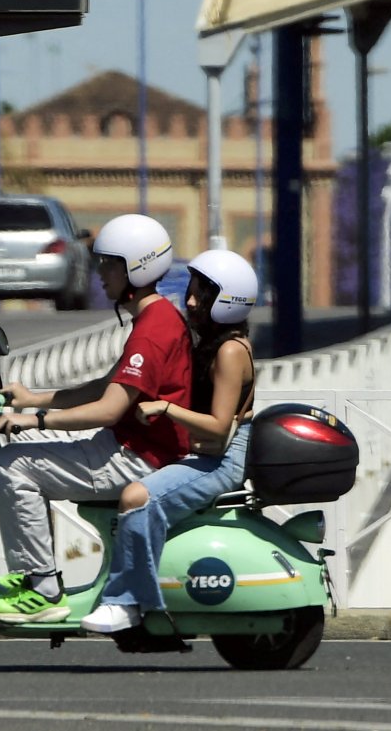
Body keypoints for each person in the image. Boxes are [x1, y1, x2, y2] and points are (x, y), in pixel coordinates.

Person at [0, 213, 192, 623]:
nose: (100, 273)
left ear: (136, 267)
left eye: (109, 263)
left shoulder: (152, 330)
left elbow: (109, 408)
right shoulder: (155, 319)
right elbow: (107, 385)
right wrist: (33, 397)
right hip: (128, 446)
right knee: (21, 453)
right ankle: (36, 579)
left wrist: (36, 420)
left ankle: (41, 588)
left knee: (14, 466)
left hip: (138, 456)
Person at [79, 249, 259, 634]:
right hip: (210, 453)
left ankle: (125, 603)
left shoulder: (230, 351)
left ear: (227, 301)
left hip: (223, 460)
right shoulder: (216, 343)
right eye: (190, 292)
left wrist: (166, 408)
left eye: (201, 295)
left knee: (135, 497)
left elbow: (217, 426)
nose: (190, 301)